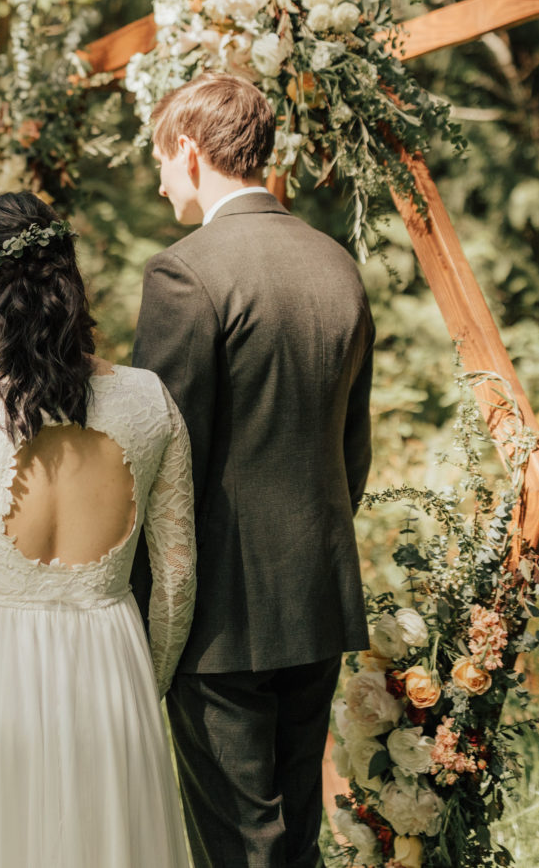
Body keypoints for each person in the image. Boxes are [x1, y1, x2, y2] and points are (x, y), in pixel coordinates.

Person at [0, 191, 197, 868]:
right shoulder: (149, 399)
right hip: (111, 665)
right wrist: (145, 682)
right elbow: (175, 578)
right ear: (68, 282)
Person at [133, 73, 375, 868]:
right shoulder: (336, 263)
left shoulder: (185, 272)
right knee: (294, 832)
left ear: (193, 153)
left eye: (162, 157)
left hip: (220, 613)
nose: (160, 176)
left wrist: (139, 598)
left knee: (239, 843)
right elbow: (354, 447)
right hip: (317, 595)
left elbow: (154, 455)